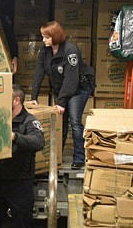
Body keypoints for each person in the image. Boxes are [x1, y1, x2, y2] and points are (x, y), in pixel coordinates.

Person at [29, 21, 95, 170]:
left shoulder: (71, 51)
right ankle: (57, 156)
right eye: (43, 37)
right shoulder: (45, 50)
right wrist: (34, 96)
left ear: (55, 36)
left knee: (74, 121)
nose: (43, 40)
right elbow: (39, 73)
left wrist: (61, 102)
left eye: (46, 37)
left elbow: (71, 80)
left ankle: (79, 157)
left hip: (79, 87)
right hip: (61, 88)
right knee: (61, 121)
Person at [0, 84, 44, 228]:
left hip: (19, 183)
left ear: (16, 101)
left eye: (4, 98)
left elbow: (38, 142)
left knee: (23, 227)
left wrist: (15, 136)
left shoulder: (29, 121)